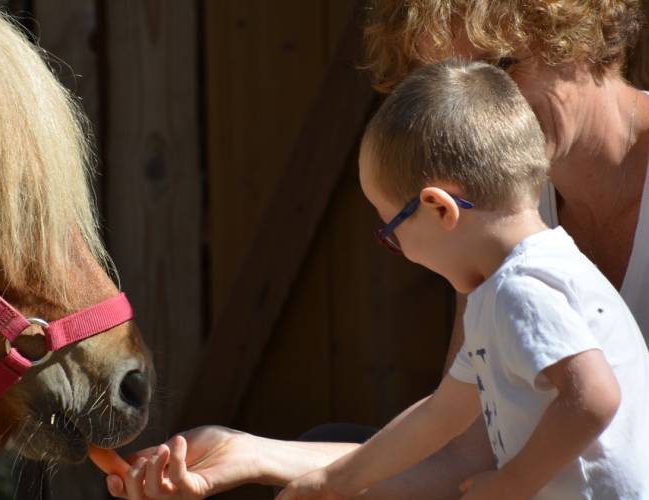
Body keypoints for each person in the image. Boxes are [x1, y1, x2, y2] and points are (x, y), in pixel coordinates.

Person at [107, 1, 649, 498]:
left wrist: (511, 483)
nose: (472, 117)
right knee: (330, 436)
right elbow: (461, 439)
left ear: (576, 34)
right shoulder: (495, 223)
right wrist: (259, 456)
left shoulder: (501, 236)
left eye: (498, 67)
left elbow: (586, 405)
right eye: (449, 85)